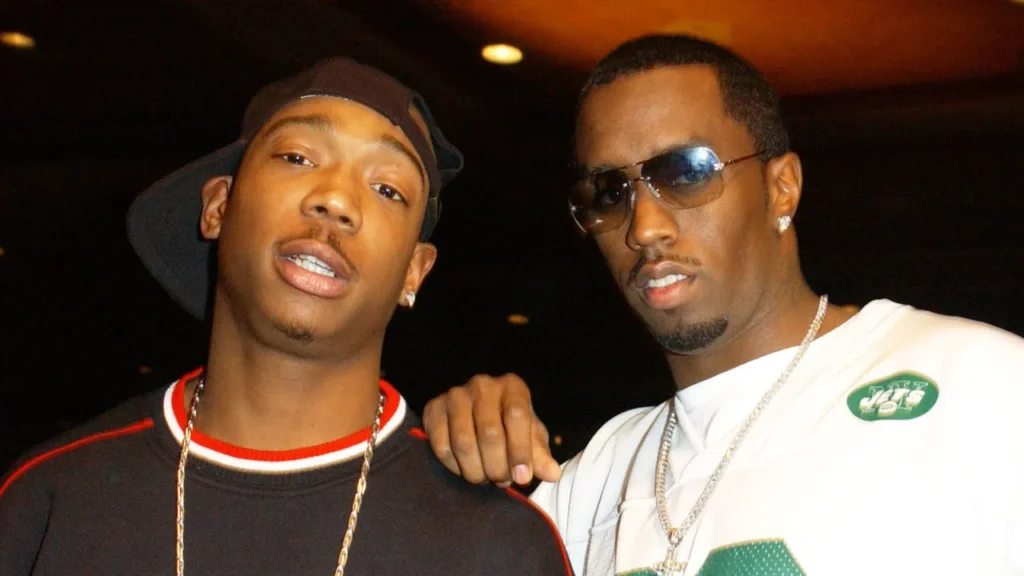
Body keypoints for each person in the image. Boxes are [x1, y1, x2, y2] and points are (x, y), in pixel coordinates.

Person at [422, 35, 1024, 576]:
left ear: (781, 188)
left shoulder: (983, 385)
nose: (644, 228)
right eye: (609, 192)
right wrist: (443, 473)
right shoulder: (594, 477)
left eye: (686, 172)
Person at [0, 58, 572, 575]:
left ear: (414, 273)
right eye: (298, 157)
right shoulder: (52, 500)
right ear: (219, 206)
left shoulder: (500, 543)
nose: (337, 201)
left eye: (387, 189)